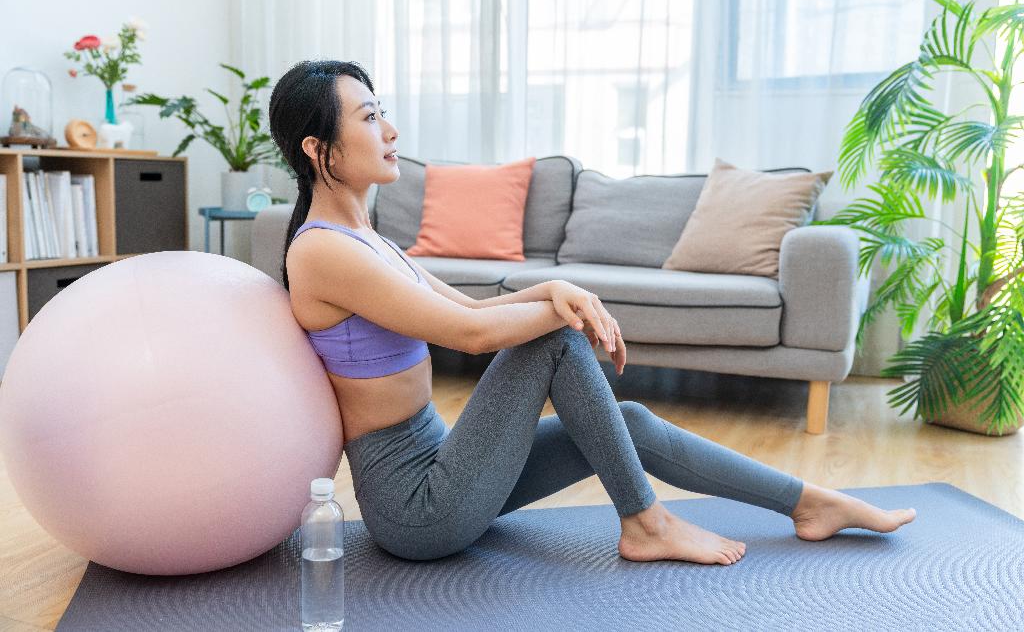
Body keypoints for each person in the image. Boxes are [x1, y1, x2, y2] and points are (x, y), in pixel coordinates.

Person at [270, 59, 917, 565]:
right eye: (369, 117)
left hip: (449, 465)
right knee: (556, 341)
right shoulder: (326, 252)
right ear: (317, 148)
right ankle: (646, 521)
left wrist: (558, 288)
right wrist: (560, 311)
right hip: (419, 508)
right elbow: (468, 333)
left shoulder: (367, 239)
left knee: (624, 419)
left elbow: (473, 303)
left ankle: (809, 502)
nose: (392, 132)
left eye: (384, 114)